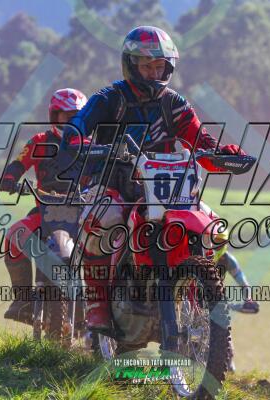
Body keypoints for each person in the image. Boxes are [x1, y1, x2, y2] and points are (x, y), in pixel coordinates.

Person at [60, 26, 247, 332]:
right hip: (114, 182)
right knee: (105, 219)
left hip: (166, 187)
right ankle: (97, 305)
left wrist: (221, 153)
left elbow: (199, 139)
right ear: (130, 65)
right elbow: (78, 127)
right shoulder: (109, 98)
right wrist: (77, 141)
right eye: (146, 66)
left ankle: (202, 301)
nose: (154, 73)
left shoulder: (175, 103)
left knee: (213, 227)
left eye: (160, 66)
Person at [0, 88, 88, 324]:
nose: (71, 121)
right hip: (45, 213)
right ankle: (23, 301)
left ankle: (102, 306)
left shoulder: (91, 144)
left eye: (77, 116)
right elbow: (19, 162)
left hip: (84, 215)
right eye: (66, 116)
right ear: (54, 115)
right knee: (14, 235)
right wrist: (9, 178)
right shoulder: (39, 141)